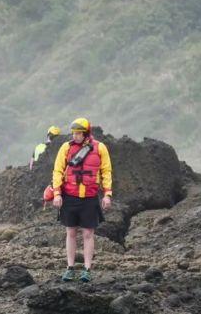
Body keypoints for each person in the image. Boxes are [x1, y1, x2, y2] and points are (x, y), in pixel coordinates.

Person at [52, 117, 112, 282]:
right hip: (69, 196)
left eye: (79, 133)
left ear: (86, 133)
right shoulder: (66, 147)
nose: (75, 136)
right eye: (74, 133)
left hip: (90, 197)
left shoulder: (100, 148)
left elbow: (106, 171)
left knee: (88, 233)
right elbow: (58, 171)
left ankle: (87, 269)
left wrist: (107, 194)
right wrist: (57, 193)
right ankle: (70, 268)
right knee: (70, 232)